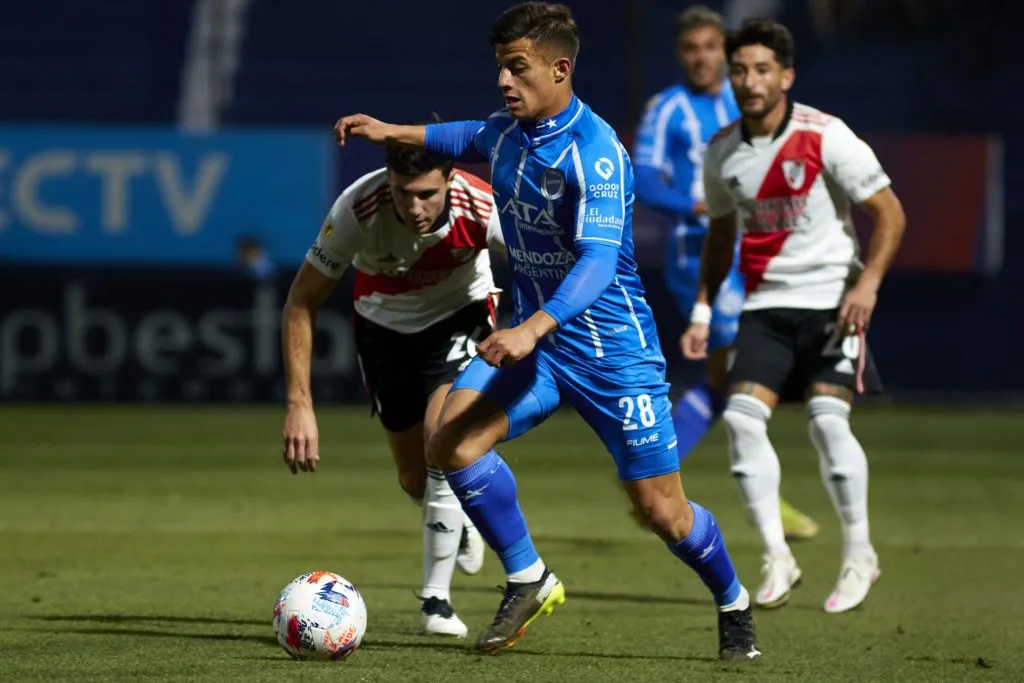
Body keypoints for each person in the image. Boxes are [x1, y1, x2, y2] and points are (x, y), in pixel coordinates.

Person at [334, 1, 760, 661]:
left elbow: (597, 262)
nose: (504, 81)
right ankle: (528, 575)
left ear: (560, 70)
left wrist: (531, 327)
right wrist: (390, 129)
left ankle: (733, 601)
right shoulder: (506, 132)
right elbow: (465, 135)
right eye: (500, 68)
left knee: (662, 512)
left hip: (613, 355)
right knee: (450, 442)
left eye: (517, 68)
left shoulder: (596, 152)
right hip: (540, 350)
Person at [685, 18, 906, 613]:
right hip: (765, 306)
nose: (749, 81)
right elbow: (721, 236)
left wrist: (868, 286)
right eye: (739, 70)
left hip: (833, 301)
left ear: (786, 76)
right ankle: (777, 554)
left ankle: (859, 553)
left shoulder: (826, 135)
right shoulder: (722, 150)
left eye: (762, 69)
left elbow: (890, 213)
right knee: (740, 420)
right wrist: (703, 309)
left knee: (828, 423)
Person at [281, 143, 505, 637]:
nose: (414, 207)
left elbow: (543, 271)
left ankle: (436, 602)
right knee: (413, 478)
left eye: (426, 194)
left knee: (441, 438)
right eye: (403, 193)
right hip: (383, 330)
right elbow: (301, 300)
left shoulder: (484, 206)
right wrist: (300, 405)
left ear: (450, 179)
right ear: (388, 182)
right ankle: (461, 516)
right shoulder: (358, 206)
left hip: (461, 317)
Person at [633, 5, 818, 540]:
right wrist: (694, 205)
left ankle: (647, 482)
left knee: (725, 383)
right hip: (697, 259)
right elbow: (643, 177)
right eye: (692, 49)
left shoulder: (744, 102)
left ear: (725, 51)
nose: (701, 58)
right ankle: (765, 503)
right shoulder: (667, 108)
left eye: (711, 47)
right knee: (746, 371)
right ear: (680, 53)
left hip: (753, 255)